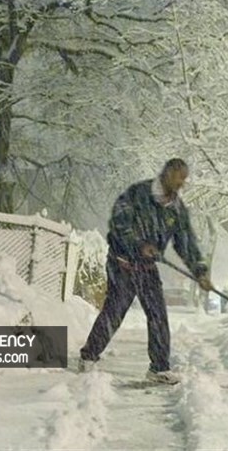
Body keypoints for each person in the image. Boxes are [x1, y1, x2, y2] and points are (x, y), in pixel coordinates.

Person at [78, 158, 213, 384]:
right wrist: (139, 244)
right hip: (122, 263)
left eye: (184, 179)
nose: (182, 183)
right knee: (114, 312)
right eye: (180, 177)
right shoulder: (137, 194)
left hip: (147, 268)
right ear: (168, 173)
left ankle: (159, 369)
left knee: (158, 314)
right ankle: (88, 356)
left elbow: (186, 244)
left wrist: (200, 271)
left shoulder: (177, 210)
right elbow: (119, 223)